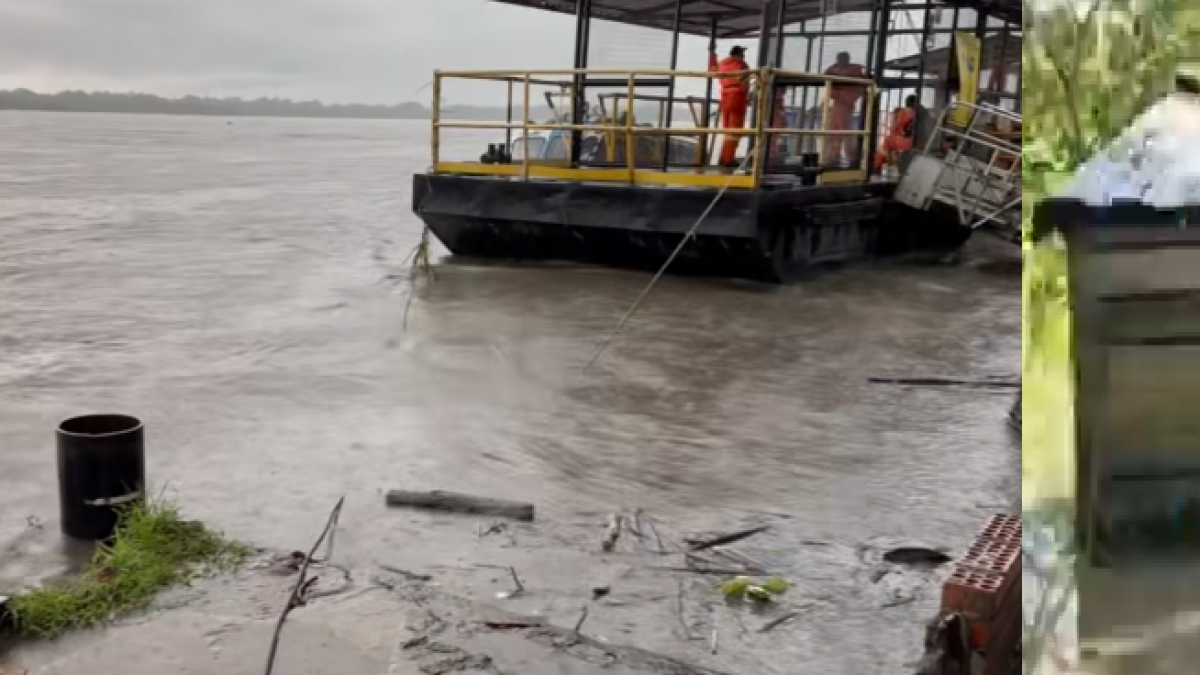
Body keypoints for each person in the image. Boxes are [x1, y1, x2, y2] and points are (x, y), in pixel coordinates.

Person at [708, 45, 750, 167]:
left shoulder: (722, 63)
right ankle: (728, 159)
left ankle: (723, 157)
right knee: (735, 130)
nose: (743, 56)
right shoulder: (742, 65)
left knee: (727, 129)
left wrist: (712, 55)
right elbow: (744, 82)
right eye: (742, 54)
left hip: (725, 96)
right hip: (737, 96)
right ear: (738, 54)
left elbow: (712, 70)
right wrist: (748, 95)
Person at [822, 51, 867, 164]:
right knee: (838, 129)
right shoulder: (837, 69)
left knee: (841, 129)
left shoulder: (852, 71)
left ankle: (843, 156)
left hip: (845, 103)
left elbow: (862, 87)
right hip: (840, 103)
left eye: (842, 59)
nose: (840, 61)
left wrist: (846, 96)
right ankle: (838, 156)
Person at [874, 95, 918, 171]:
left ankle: (877, 167)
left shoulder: (902, 113)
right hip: (917, 141)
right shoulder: (919, 113)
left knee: (885, 144)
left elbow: (895, 128)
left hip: (906, 142)